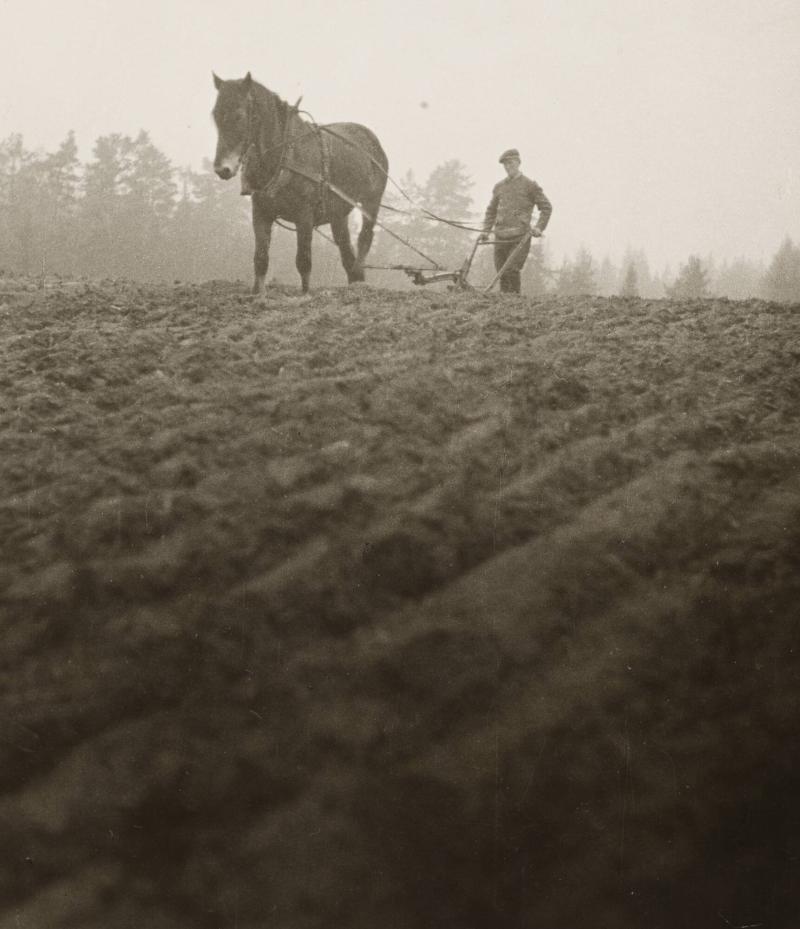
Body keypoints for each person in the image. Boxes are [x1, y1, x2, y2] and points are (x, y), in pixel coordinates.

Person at [481, 149, 552, 294]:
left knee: (512, 270)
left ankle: (515, 307)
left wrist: (539, 228)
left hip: (519, 237)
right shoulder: (499, 187)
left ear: (518, 162)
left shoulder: (530, 185)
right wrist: (486, 230)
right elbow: (491, 211)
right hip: (500, 237)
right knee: (501, 273)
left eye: (511, 163)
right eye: (505, 164)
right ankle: (504, 309)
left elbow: (546, 208)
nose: (508, 167)